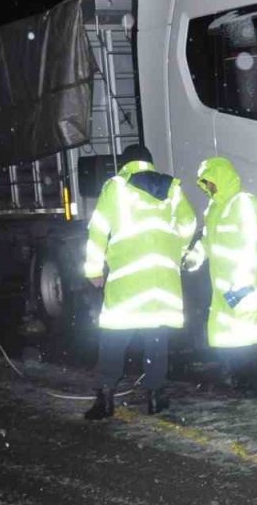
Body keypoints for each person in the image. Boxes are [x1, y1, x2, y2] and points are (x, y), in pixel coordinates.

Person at [82, 145, 196, 419]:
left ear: (125, 163)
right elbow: (189, 223)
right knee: (156, 338)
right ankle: (156, 396)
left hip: (128, 280)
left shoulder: (117, 187)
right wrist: (176, 251)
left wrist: (94, 270)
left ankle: (106, 396)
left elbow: (98, 230)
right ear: (150, 163)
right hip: (162, 281)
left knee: (114, 336)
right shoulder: (172, 188)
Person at [184, 157, 257, 394]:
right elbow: (207, 240)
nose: (209, 187)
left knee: (252, 334)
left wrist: (242, 280)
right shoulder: (214, 209)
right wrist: (195, 256)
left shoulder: (243, 203)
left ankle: (256, 381)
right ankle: (241, 378)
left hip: (245, 283)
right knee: (233, 335)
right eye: (205, 183)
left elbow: (252, 242)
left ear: (222, 177)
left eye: (210, 181)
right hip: (224, 286)